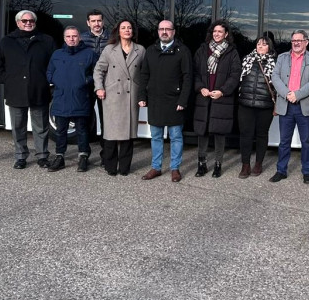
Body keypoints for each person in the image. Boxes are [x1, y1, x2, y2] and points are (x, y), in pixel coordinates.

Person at [0, 10, 56, 170]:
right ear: (18, 23)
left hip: (39, 90)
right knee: (18, 127)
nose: (28, 23)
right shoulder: (7, 41)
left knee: (41, 127)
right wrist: (6, 79)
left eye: (31, 21)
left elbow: (54, 64)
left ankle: (42, 156)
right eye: (24, 20)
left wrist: (49, 81)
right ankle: (21, 156)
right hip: (15, 91)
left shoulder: (46, 40)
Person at [137, 20, 192, 182]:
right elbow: (144, 75)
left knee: (176, 136)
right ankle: (156, 167)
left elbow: (188, 77)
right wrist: (141, 96)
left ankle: (175, 168)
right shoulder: (151, 51)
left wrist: (183, 99)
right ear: (158, 31)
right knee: (156, 137)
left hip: (175, 101)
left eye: (168, 29)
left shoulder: (183, 51)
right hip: (155, 100)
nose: (164, 32)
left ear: (174, 32)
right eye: (161, 29)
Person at [270, 29, 309, 184]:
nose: (296, 43)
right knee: (284, 141)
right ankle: (281, 170)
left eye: (299, 40)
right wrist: (287, 93)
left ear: (306, 42)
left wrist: (297, 95)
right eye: (293, 41)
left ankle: (307, 171)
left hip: (304, 106)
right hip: (285, 105)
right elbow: (275, 76)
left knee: (306, 141)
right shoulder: (282, 57)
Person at [94, 19, 145, 176]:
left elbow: (145, 74)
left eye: (129, 27)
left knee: (128, 135)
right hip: (112, 96)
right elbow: (98, 70)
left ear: (133, 31)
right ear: (118, 31)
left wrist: (143, 94)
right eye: (123, 28)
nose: (127, 30)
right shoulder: (109, 49)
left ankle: (124, 167)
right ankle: (110, 166)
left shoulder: (141, 50)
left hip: (131, 95)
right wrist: (99, 88)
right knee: (111, 133)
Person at [46, 26, 99, 172]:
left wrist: (85, 81)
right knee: (60, 131)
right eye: (68, 36)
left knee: (82, 130)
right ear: (64, 38)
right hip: (61, 98)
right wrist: (56, 80)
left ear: (79, 37)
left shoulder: (89, 54)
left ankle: (83, 157)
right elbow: (49, 72)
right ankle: (60, 157)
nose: (71, 39)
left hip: (81, 98)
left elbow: (98, 73)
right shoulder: (57, 54)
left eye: (74, 36)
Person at [192, 21, 240, 178]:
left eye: (220, 31)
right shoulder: (202, 50)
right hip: (204, 97)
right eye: (214, 31)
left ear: (226, 34)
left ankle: (218, 165)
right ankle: (202, 164)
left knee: (220, 133)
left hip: (221, 98)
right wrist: (200, 88)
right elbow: (195, 73)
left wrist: (223, 91)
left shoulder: (232, 52)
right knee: (202, 132)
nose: (217, 34)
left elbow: (235, 75)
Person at [236, 36, 277, 178]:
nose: (260, 46)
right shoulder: (247, 59)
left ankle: (258, 163)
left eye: (264, 44)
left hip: (265, 105)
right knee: (245, 135)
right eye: (258, 44)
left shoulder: (275, 63)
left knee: (261, 135)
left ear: (269, 47)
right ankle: (245, 165)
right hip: (246, 104)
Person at [80, 9, 110, 141]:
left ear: (103, 22)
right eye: (93, 21)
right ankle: (85, 152)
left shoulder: (112, 38)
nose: (96, 23)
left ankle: (106, 155)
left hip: (107, 84)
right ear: (88, 23)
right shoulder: (81, 39)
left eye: (99, 20)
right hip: (87, 84)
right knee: (85, 118)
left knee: (106, 119)